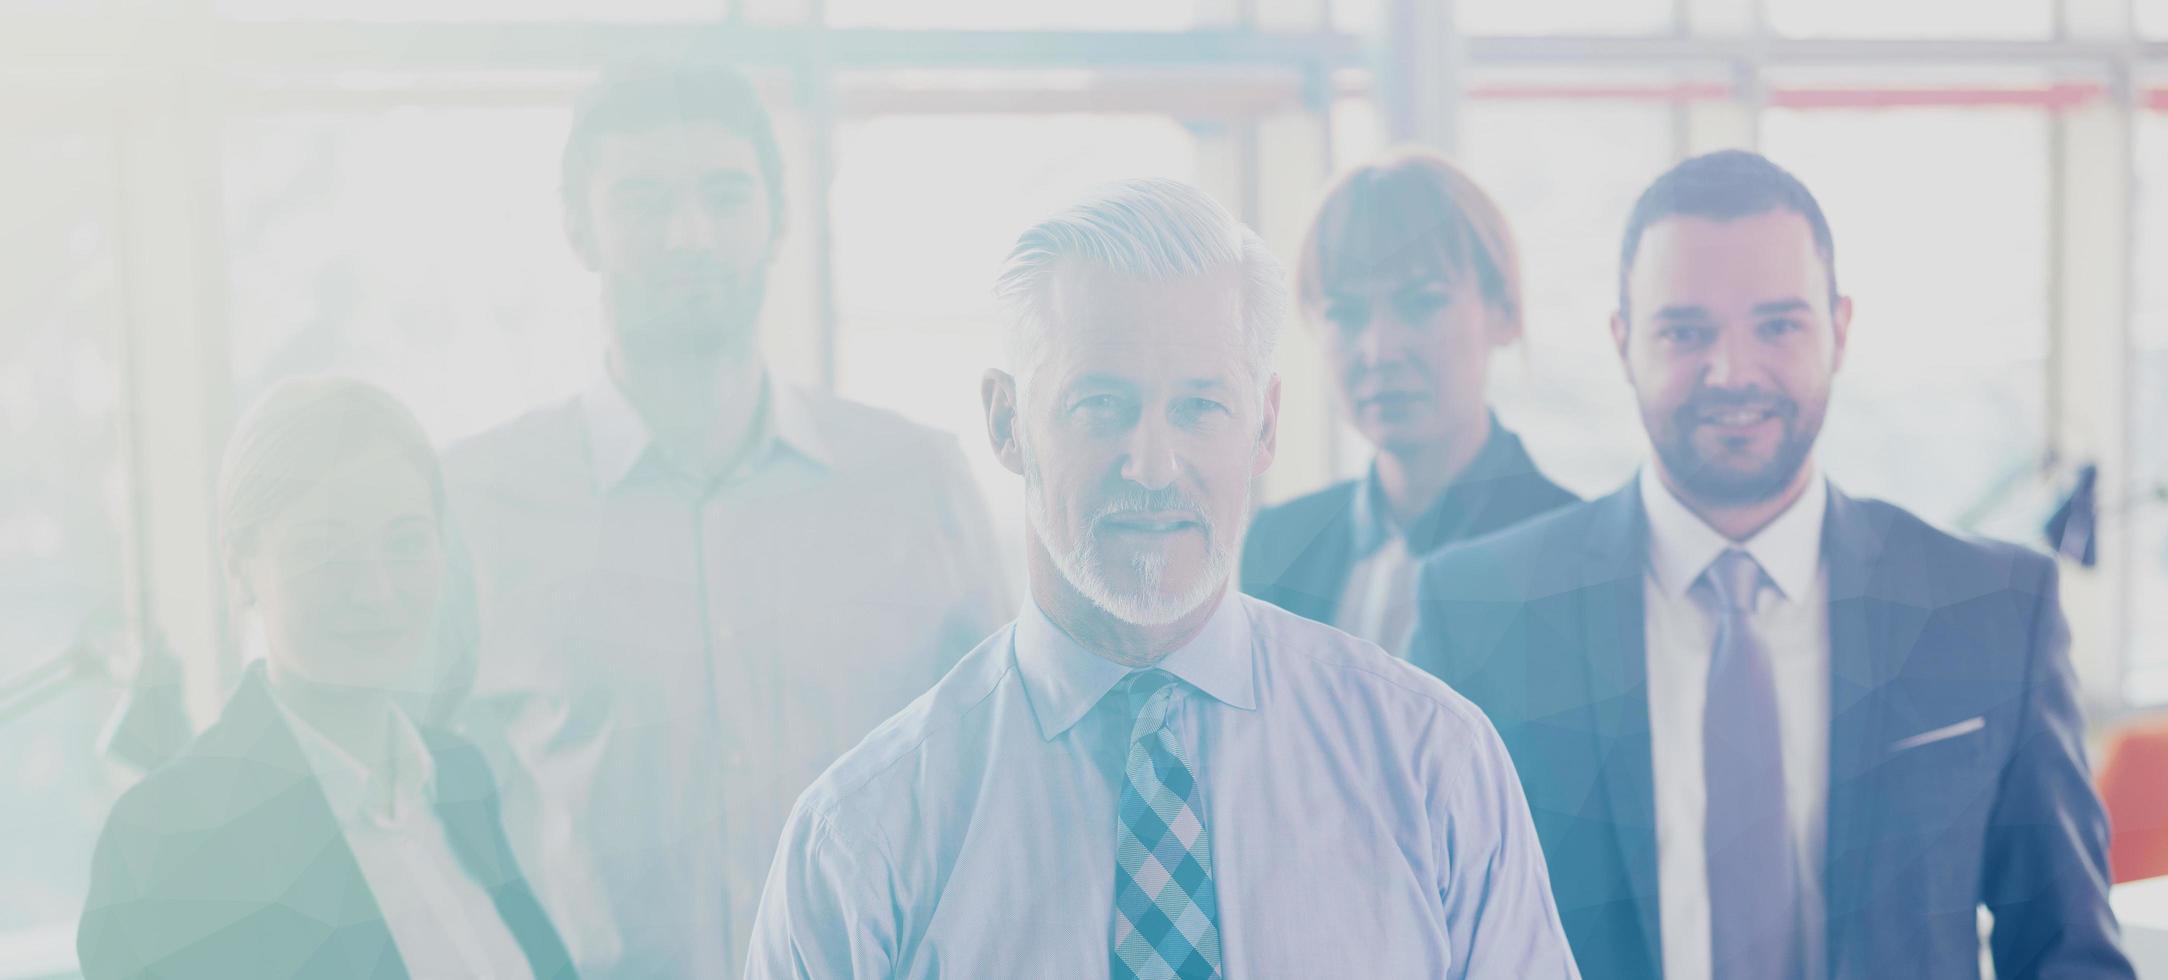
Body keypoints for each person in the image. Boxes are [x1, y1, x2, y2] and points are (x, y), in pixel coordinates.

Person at [743, 178, 1578, 979]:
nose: (1151, 466)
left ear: (1265, 426)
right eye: (1099, 405)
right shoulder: (862, 840)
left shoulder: (1435, 766)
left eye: (1198, 407)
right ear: (1007, 423)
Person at [1409, 150, 2133, 980]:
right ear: (1622, 341)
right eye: (1686, 332)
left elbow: (2068, 954)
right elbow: (1417, 940)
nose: (1733, 372)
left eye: (1778, 326)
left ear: (1841, 330)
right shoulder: (1482, 613)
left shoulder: (1991, 609)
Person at [441, 65, 1010, 979]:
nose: (690, 236)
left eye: (725, 195)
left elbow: (1005, 786)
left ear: (777, 221)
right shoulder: (475, 505)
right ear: (579, 228)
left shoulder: (917, 483)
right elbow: (431, 828)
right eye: (643, 200)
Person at [79, 378, 575, 980]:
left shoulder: (460, 778)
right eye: (325, 550)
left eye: (405, 543)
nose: (375, 590)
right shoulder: (168, 844)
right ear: (240, 568)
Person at [1240, 150, 1576, 655]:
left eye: (1422, 302)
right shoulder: (1278, 544)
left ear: (1503, 312)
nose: (1380, 350)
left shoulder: (1576, 558)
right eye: (1345, 313)